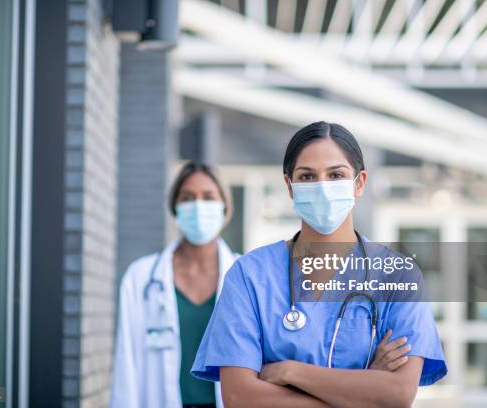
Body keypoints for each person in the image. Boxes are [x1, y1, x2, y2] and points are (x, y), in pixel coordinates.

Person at [191, 121, 447, 408]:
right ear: (290, 186)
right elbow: (240, 397)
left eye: (336, 174)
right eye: (307, 177)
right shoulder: (249, 276)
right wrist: (363, 390)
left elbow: (397, 394)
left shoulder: (399, 276)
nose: (322, 187)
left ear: (359, 183)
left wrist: (291, 371)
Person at [110, 161, 239, 408]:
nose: (198, 206)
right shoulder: (141, 278)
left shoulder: (245, 275)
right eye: (188, 198)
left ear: (224, 206)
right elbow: (126, 367)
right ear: (175, 208)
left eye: (208, 197)